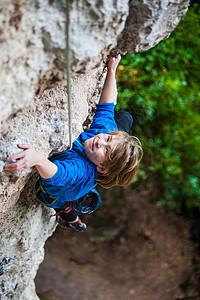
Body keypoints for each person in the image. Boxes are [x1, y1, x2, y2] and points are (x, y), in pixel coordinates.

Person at [5, 55, 143, 232]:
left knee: (63, 203)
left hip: (57, 192)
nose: (100, 142)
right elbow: (107, 106)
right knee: (125, 118)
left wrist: (38, 159)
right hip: (91, 173)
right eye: (108, 139)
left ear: (101, 168)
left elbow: (57, 173)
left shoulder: (79, 169)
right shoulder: (103, 133)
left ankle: (74, 220)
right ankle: (98, 176)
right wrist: (111, 71)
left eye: (106, 151)